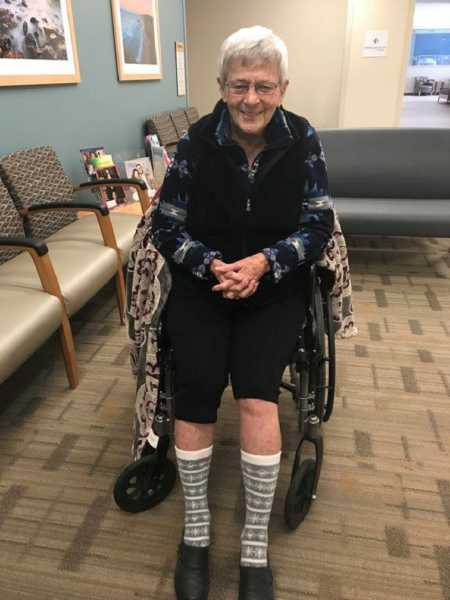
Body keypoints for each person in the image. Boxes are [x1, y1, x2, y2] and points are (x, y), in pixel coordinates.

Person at [150, 25, 334, 600]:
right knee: (199, 387)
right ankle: (196, 533)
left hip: (274, 288)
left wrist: (263, 263)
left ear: (282, 88)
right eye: (238, 86)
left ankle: (255, 542)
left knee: (258, 392)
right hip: (203, 285)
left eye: (263, 86)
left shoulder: (303, 139)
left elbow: (318, 222)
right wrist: (211, 266)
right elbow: (165, 224)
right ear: (221, 86)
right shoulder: (199, 142)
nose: (250, 99)